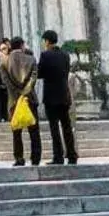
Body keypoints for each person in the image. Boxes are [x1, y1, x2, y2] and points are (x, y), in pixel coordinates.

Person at [37, 31, 77, 166]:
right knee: (66, 126)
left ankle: (58, 156)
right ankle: (72, 154)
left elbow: (40, 73)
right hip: (64, 95)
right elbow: (65, 72)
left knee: (54, 127)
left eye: (44, 41)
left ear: (47, 41)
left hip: (51, 96)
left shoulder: (45, 55)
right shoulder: (65, 55)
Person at [2, 35, 41, 167]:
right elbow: (33, 78)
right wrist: (25, 92)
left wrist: (18, 94)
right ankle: (35, 158)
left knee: (16, 131)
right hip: (29, 98)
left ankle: (19, 158)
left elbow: (6, 82)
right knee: (34, 130)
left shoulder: (4, 62)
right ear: (22, 45)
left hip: (14, 100)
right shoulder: (31, 59)